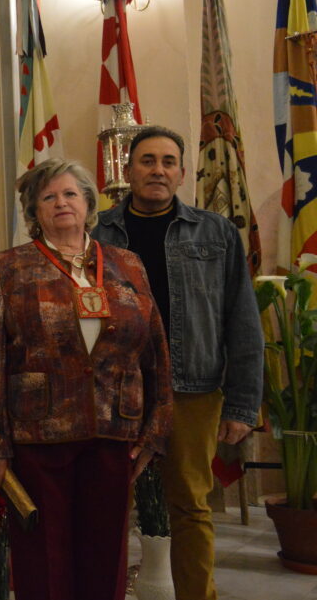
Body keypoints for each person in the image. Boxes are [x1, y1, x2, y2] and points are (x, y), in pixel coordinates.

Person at [0, 157, 173, 600]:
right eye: (48, 197)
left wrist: (154, 432)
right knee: (44, 561)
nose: (61, 203)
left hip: (113, 431)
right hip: (39, 437)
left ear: (88, 202)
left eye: (69, 193)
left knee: (105, 560)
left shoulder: (127, 265)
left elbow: (156, 353)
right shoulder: (9, 268)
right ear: (34, 211)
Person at [92, 126, 264, 600]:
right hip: (116, 391)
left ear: (182, 172)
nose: (158, 170)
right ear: (127, 171)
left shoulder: (217, 233)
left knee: (191, 506)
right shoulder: (97, 232)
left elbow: (243, 322)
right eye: (147, 161)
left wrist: (243, 405)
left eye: (168, 162)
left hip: (194, 389)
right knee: (109, 509)